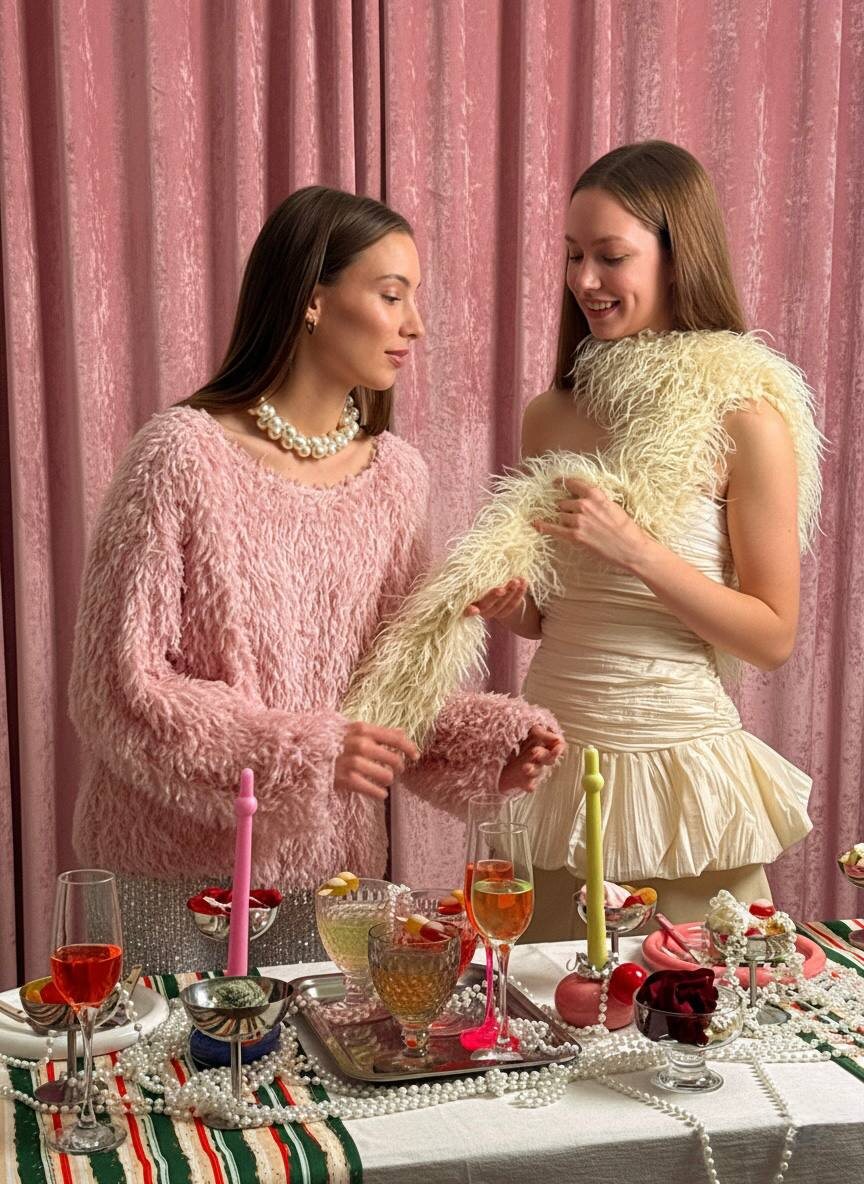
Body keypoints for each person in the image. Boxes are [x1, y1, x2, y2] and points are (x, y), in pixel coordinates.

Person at [69, 186, 563, 971]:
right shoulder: (180, 456)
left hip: (333, 885)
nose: (414, 325)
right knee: (179, 1055)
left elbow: (390, 690)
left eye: (414, 298)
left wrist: (490, 745)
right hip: (179, 884)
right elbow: (117, 688)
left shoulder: (397, 476)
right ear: (312, 299)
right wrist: (305, 754)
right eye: (391, 295)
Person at [490, 140, 822, 935]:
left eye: (611, 256)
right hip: (556, 775)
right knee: (542, 1008)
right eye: (573, 255)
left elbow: (772, 636)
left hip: (681, 787)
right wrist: (508, 601)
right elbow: (552, 616)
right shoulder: (549, 415)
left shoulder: (747, 418)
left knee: (701, 1007)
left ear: (678, 259)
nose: (584, 280)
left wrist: (636, 548)